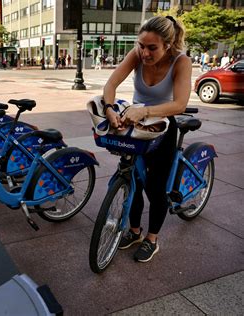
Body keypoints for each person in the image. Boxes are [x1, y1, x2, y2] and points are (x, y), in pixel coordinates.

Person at [102, 15, 191, 263]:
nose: (145, 52)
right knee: (132, 180)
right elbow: (111, 83)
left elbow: (180, 104)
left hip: (162, 126)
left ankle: (152, 239)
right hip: (135, 124)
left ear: (168, 46)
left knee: (154, 187)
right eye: (141, 45)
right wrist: (109, 108)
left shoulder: (181, 61)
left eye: (152, 48)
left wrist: (146, 110)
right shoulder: (137, 54)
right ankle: (134, 232)